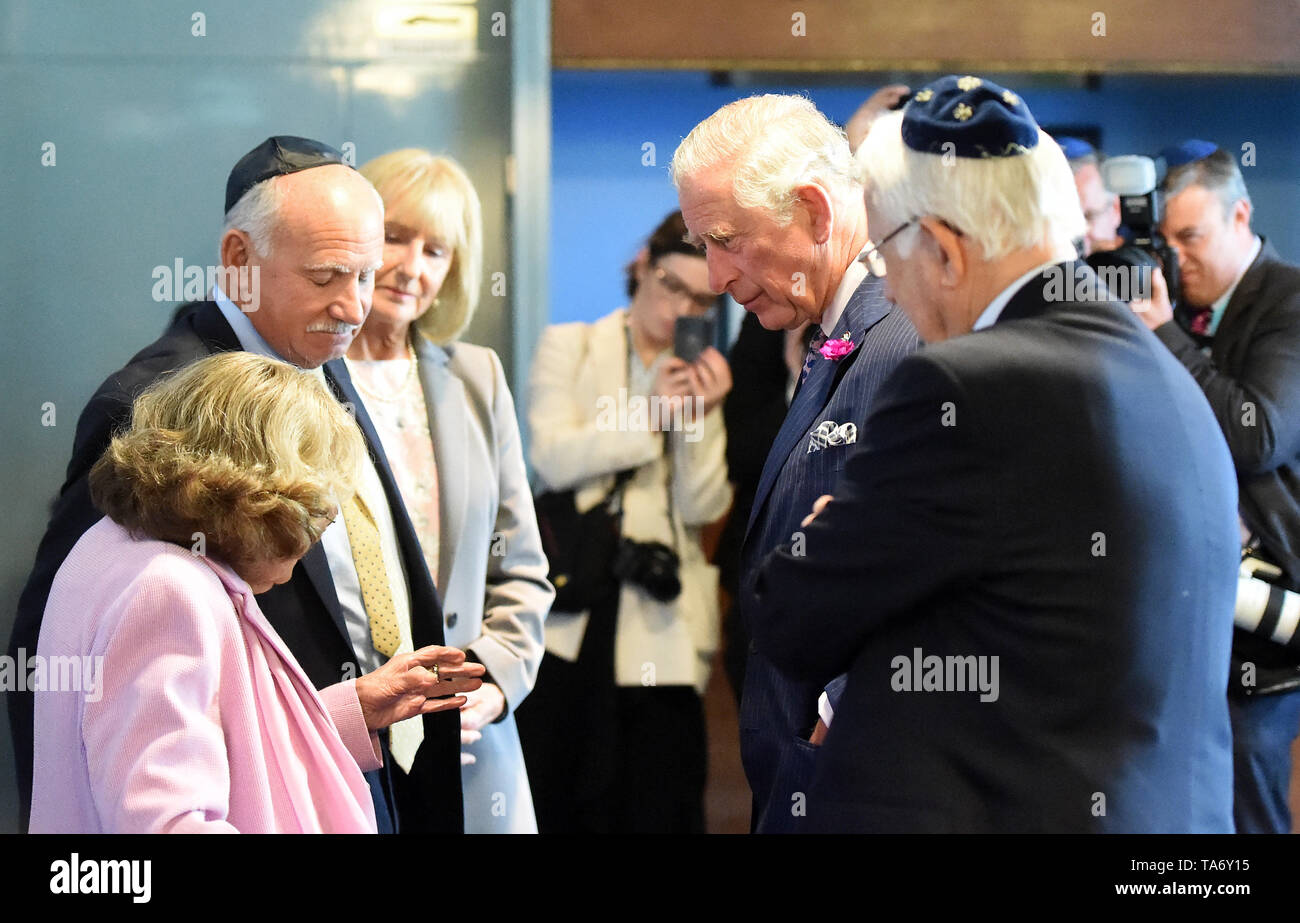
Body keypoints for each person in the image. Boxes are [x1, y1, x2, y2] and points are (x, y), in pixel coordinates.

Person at [750, 76, 1239, 833]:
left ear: (943, 249)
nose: (890, 293)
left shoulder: (965, 387)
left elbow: (790, 615)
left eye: (882, 256)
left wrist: (831, 524)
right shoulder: (1165, 371)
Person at [9, 136, 464, 834]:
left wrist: (352, 706)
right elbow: (63, 658)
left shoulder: (312, 349)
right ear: (239, 262)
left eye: (366, 277)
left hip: (348, 753)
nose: (354, 307)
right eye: (326, 277)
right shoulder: (152, 408)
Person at [30, 353, 482, 833]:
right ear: (263, 493)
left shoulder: (111, 545)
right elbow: (169, 822)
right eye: (319, 511)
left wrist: (352, 710)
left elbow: (214, 748)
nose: (316, 532)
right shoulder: (169, 590)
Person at [672, 94, 919, 833]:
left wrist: (845, 708)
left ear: (815, 209)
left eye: (724, 239)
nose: (714, 275)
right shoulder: (835, 333)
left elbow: (935, 568)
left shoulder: (905, 336)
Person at [345, 148, 553, 834]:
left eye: (437, 250)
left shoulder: (476, 378)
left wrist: (490, 685)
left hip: (469, 746)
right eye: (396, 237)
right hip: (342, 742)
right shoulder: (295, 379)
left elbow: (519, 569)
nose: (412, 266)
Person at [518, 210, 732, 833]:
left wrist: (698, 417)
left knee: (658, 804)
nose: (679, 309)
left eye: (701, 299)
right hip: (573, 608)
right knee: (562, 797)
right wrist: (648, 416)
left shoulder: (701, 372)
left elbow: (702, 506)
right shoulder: (572, 344)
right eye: (671, 286)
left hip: (659, 617)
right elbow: (553, 457)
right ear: (642, 267)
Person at [1132, 141, 1300, 834]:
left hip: (1271, 601)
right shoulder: (1184, 304)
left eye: (1191, 237)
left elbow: (1260, 432)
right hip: (1187, 590)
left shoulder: (1288, 299)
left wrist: (1164, 334)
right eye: (1165, 240)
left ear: (1241, 214)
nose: (1177, 256)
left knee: (1246, 776)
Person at [1056, 135, 1123, 256]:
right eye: (1061, 223)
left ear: (1115, 209)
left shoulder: (1139, 270)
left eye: (1088, 217)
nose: (1078, 237)